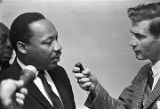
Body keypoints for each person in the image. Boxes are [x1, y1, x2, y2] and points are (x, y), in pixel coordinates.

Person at [73, 2, 160, 109]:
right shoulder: (144, 72)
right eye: (133, 34)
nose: (131, 43)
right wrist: (95, 88)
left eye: (140, 36)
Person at [1, 12, 75, 109]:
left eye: (56, 39)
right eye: (48, 42)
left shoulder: (59, 73)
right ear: (22, 47)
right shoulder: (6, 86)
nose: (58, 47)